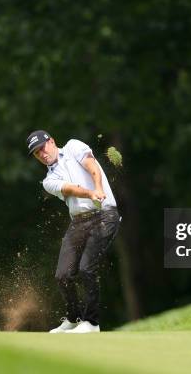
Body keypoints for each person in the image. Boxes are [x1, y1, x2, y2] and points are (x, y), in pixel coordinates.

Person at [26, 130, 121, 334]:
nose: (41, 154)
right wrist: (90, 193)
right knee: (63, 275)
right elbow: (70, 189)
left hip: (105, 215)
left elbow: (91, 165)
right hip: (79, 222)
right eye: (36, 153)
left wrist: (98, 188)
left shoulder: (73, 146)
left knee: (87, 268)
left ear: (52, 141)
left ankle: (92, 323)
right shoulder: (48, 181)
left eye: (42, 147)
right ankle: (73, 318)